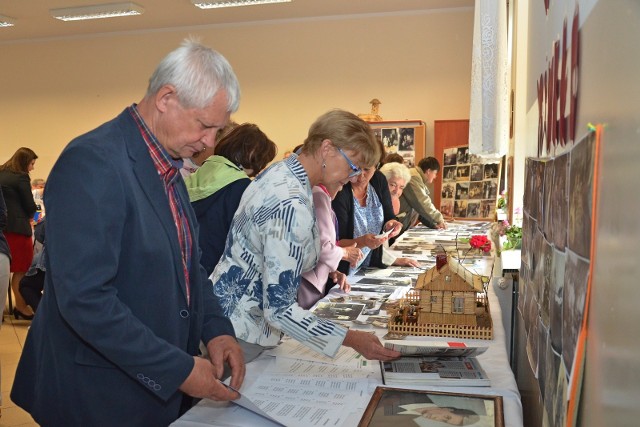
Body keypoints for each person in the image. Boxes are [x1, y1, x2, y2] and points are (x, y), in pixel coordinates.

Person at [11, 39, 246, 426]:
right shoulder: (93, 162)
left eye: (217, 130)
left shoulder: (170, 163)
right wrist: (179, 369)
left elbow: (190, 267)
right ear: (166, 98)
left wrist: (216, 329)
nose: (209, 143)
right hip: (96, 395)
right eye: (205, 126)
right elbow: (86, 300)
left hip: (148, 389)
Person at [211, 109, 401, 363]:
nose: (354, 176)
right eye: (353, 166)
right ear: (327, 149)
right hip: (242, 331)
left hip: (227, 316)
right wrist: (352, 339)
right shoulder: (291, 202)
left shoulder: (282, 173)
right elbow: (279, 310)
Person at [186, 123, 277, 276]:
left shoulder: (198, 173)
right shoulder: (242, 187)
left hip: (185, 263)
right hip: (215, 271)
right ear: (252, 156)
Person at [332, 138, 403, 276]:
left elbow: (389, 216)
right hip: (342, 270)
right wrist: (362, 241)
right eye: (356, 167)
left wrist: (392, 224)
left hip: (369, 265)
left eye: (366, 169)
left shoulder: (379, 180)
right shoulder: (341, 189)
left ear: (376, 166)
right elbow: (335, 242)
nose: (360, 175)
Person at [296, 180, 363, 309]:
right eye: (341, 184)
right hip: (305, 282)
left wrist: (333, 272)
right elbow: (321, 247)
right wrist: (346, 253)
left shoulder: (322, 195)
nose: (341, 189)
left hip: (313, 281)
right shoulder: (318, 195)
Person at [0, 147, 38, 320]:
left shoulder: (2, 172)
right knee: (21, 270)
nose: (32, 168)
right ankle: (21, 307)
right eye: (31, 163)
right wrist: (31, 216)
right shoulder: (21, 177)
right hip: (18, 230)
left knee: (6, 269)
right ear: (24, 162)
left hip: (4, 229)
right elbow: (30, 206)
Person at [379, 162, 421, 268]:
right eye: (392, 185)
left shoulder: (394, 202)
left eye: (401, 187)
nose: (397, 191)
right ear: (382, 182)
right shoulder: (374, 201)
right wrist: (393, 260)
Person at [398, 156, 448, 233]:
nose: (435, 176)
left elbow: (419, 209)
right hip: (398, 224)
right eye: (435, 173)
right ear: (428, 171)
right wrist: (439, 219)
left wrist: (432, 224)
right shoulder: (413, 177)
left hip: (402, 224)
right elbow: (422, 203)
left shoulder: (417, 177)